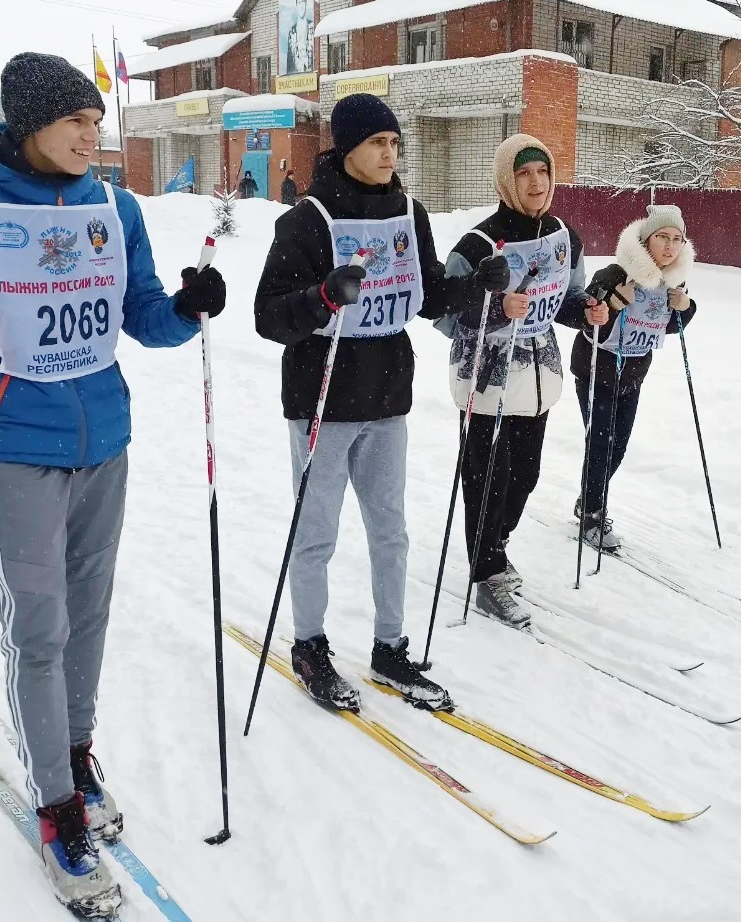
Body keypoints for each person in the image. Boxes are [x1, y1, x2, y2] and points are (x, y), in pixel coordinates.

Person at [0, 52, 226, 915]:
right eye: (76, 123)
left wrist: (185, 307)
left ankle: (76, 749)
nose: (92, 138)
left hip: (107, 438)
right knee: (40, 625)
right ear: (29, 125)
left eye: (97, 124)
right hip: (16, 442)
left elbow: (141, 316)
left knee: (89, 612)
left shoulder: (114, 205)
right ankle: (55, 800)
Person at [253, 93, 504, 711]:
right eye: (376, 143)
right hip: (323, 397)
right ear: (347, 148)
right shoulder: (308, 218)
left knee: (390, 532)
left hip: (387, 395)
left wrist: (477, 288)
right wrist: (322, 297)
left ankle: (390, 647)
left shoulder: (409, 211)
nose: (389, 154)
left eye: (395, 143)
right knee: (316, 534)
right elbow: (268, 315)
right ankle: (309, 644)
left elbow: (426, 296)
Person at [441, 134, 603, 626]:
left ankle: (497, 543)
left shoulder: (564, 236)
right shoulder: (478, 244)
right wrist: (493, 309)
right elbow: (443, 312)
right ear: (506, 180)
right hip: (486, 381)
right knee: (486, 478)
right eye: (524, 173)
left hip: (538, 378)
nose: (536, 183)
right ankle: (486, 568)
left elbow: (567, 300)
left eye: (543, 172)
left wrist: (589, 311)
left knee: (524, 477)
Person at [573, 205, 697, 551]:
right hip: (596, 370)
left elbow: (668, 326)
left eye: (677, 239)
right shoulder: (616, 272)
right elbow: (587, 315)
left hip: (633, 374)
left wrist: (685, 307)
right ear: (645, 239)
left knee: (619, 446)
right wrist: (612, 303)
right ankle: (593, 514)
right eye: (662, 237)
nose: (670, 246)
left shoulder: (673, 280)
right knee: (601, 442)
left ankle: (589, 498)